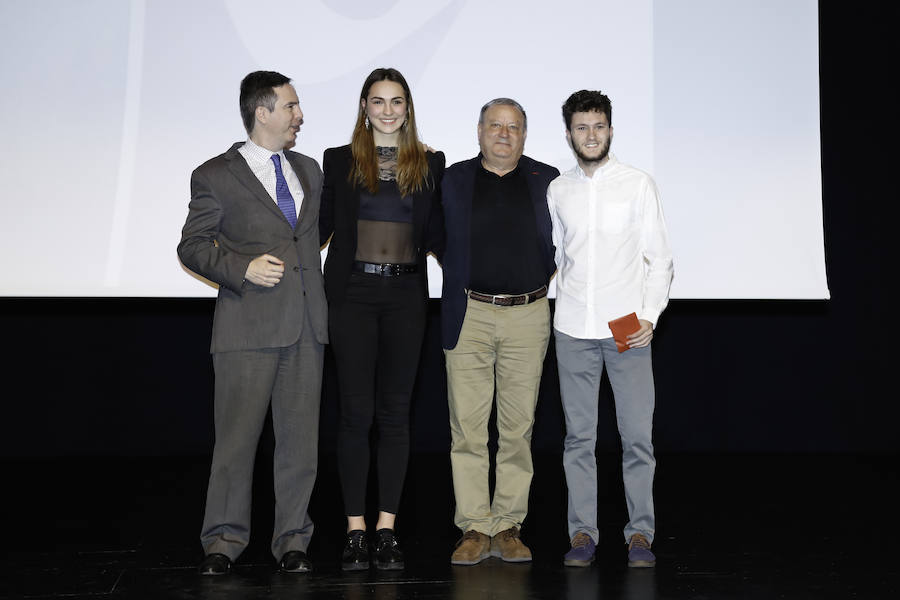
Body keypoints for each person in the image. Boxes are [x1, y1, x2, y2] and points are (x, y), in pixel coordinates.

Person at [177, 71, 328, 576]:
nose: (299, 116)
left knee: (300, 443)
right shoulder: (216, 174)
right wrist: (241, 268)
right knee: (236, 442)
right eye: (291, 107)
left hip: (306, 327)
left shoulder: (310, 169)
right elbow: (193, 245)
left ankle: (293, 541)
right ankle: (222, 541)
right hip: (247, 329)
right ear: (262, 112)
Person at [319, 67, 445, 571]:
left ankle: (387, 529)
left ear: (407, 109)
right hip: (352, 296)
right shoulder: (338, 160)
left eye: (397, 102)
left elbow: (439, 234)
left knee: (395, 415)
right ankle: (354, 531)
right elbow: (320, 228)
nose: (388, 110)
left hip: (405, 299)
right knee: (355, 415)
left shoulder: (431, 163)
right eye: (378, 101)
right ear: (364, 108)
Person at [547, 90, 673, 568]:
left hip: (625, 326)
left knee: (636, 436)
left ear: (611, 130)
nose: (591, 135)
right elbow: (557, 258)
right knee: (579, 439)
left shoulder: (638, 184)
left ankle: (639, 534)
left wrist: (649, 315)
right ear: (569, 133)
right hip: (573, 327)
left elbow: (660, 258)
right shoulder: (559, 190)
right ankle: (583, 534)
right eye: (581, 127)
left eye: (598, 126)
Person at [440, 98, 559, 565]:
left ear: (524, 135)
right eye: (496, 126)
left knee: (518, 428)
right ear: (479, 131)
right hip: (469, 314)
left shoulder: (547, 180)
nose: (504, 134)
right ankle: (473, 526)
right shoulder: (453, 180)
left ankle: (508, 524)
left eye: (514, 127)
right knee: (467, 429)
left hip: (528, 315)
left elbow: (565, 242)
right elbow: (435, 236)